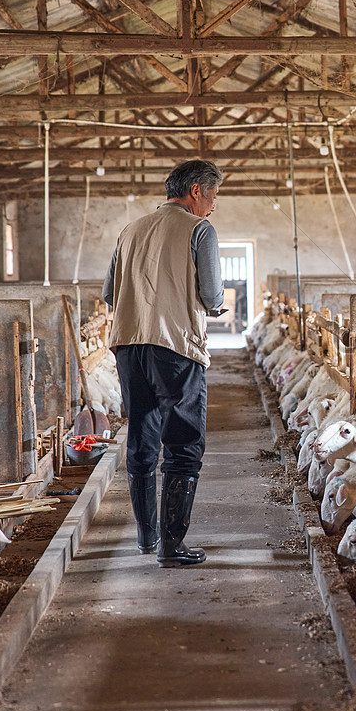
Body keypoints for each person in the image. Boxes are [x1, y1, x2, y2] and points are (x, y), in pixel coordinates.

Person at [102, 160, 225, 568]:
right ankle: (171, 547)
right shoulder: (198, 230)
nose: (212, 207)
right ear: (195, 191)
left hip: (129, 346)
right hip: (175, 348)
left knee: (141, 439)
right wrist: (215, 305)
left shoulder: (129, 230)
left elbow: (109, 293)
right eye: (212, 197)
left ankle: (146, 537)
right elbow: (211, 295)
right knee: (184, 445)